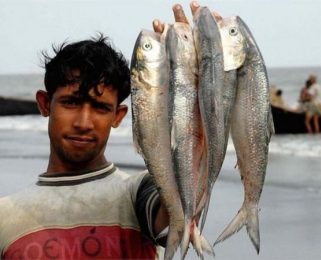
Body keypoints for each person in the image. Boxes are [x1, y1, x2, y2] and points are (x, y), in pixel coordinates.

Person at [0, 3, 200, 258]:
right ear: (44, 104)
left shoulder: (137, 193)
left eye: (100, 107)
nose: (84, 123)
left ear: (119, 116)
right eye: (71, 103)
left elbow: (174, 215)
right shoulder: (5, 217)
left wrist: (193, 85)